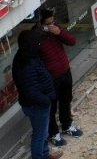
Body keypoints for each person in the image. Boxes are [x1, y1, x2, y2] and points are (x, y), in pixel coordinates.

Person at [36, 8, 81, 148]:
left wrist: (59, 32)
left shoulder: (56, 30)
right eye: (48, 23)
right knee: (52, 106)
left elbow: (72, 41)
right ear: (40, 23)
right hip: (51, 78)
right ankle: (53, 133)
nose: (51, 25)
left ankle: (67, 124)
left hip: (65, 72)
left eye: (53, 22)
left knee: (66, 100)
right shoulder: (36, 37)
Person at [13, 30, 61, 159]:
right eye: (37, 42)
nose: (39, 44)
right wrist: (46, 101)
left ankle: (45, 154)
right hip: (37, 106)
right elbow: (31, 91)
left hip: (38, 104)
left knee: (43, 133)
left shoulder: (27, 56)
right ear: (31, 44)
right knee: (39, 136)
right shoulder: (26, 64)